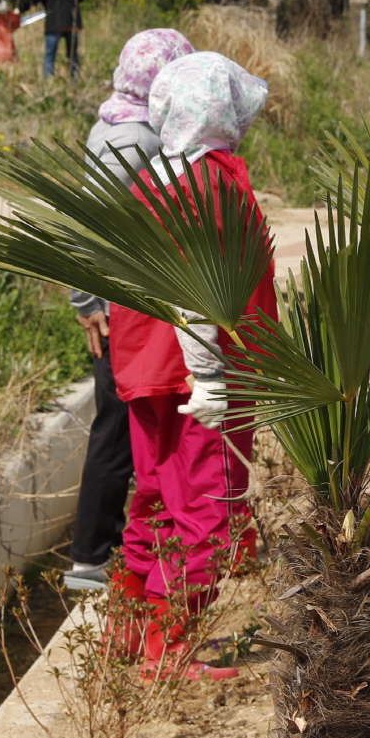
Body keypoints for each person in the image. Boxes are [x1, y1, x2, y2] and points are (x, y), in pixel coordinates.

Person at [108, 51, 276, 677]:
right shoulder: (210, 183)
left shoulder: (157, 174)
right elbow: (197, 290)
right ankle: (169, 645)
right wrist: (209, 377)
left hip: (149, 365)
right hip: (197, 373)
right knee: (207, 504)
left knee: (154, 493)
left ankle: (128, 629)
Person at [63, 28, 198, 593]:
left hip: (122, 305)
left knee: (117, 423)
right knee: (117, 427)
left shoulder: (115, 120)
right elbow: (88, 223)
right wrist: (88, 301)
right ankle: (91, 557)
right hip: (119, 310)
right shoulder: (136, 136)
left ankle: (106, 545)